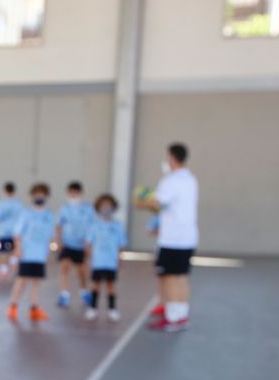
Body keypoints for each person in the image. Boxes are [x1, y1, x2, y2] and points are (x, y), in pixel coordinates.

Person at [137, 142, 198, 332]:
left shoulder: (171, 180)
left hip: (173, 239)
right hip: (187, 237)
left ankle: (173, 318)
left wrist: (141, 200)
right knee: (180, 277)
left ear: (171, 157)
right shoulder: (191, 179)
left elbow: (156, 203)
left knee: (171, 277)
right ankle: (181, 315)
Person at [7, 182, 54, 323]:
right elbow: (17, 234)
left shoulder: (49, 215)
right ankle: (13, 306)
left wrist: (48, 251)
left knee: (36, 282)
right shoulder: (26, 213)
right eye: (36, 194)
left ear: (46, 196)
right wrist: (18, 249)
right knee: (21, 281)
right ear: (32, 196)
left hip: (40, 255)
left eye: (42, 194)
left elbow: (49, 235)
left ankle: (34, 308)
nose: (39, 197)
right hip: (27, 253)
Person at [84, 194, 128, 322]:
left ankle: (112, 309)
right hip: (98, 261)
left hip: (111, 262)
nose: (106, 208)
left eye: (109, 205)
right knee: (95, 285)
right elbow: (88, 244)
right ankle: (93, 308)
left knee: (111, 286)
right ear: (98, 207)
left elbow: (121, 244)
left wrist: (120, 259)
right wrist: (88, 259)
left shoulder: (117, 225)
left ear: (113, 207)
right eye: (103, 205)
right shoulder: (94, 225)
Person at [55, 181, 94, 308]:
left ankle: (84, 292)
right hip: (67, 243)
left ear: (80, 193)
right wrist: (58, 241)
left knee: (81, 270)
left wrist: (89, 243)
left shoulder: (87, 208)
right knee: (65, 267)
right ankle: (64, 294)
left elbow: (92, 226)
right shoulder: (64, 208)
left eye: (76, 192)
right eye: (71, 192)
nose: (73, 194)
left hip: (81, 244)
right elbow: (59, 225)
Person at [0, 182, 23, 280]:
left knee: (4, 251)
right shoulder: (18, 203)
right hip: (15, 232)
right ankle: (11, 264)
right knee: (14, 250)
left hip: (4, 232)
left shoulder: (2, 203)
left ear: (5, 191)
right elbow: (22, 218)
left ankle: (4, 269)